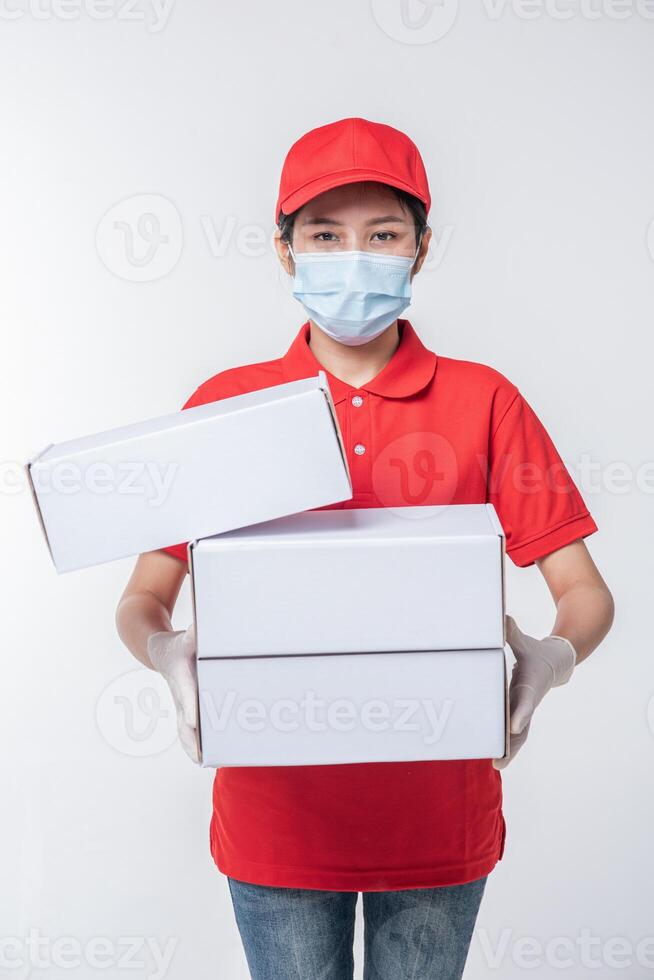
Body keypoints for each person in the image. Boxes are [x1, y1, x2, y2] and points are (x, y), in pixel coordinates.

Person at [115, 117, 615, 980]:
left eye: (382, 234)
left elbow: (584, 590)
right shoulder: (228, 406)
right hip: (276, 820)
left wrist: (553, 655)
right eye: (324, 234)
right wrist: (163, 650)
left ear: (420, 249)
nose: (354, 256)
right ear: (284, 251)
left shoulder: (484, 399)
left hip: (439, 815)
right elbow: (142, 597)